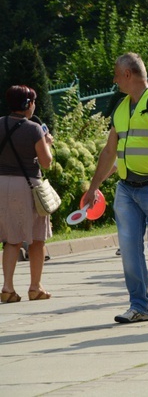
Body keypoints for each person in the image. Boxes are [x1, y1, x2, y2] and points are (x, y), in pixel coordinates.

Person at [83, 53, 148, 323]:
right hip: (127, 189)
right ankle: (140, 306)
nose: (114, 79)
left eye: (116, 74)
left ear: (128, 74)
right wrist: (94, 187)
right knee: (130, 249)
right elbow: (110, 151)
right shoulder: (120, 108)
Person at [1, 85, 54, 303]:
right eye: (32, 102)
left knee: (10, 239)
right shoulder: (34, 129)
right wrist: (48, 144)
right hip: (28, 185)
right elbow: (46, 162)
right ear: (27, 104)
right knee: (37, 238)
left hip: (1, 184)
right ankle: (35, 287)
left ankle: (7, 288)